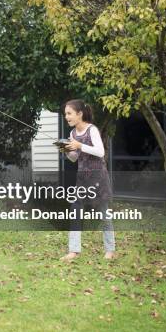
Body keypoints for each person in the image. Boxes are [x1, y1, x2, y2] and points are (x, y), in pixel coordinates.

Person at [59, 99, 115, 261]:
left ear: (79, 114)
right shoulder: (72, 134)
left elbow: (100, 152)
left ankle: (110, 250)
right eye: (65, 114)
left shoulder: (92, 130)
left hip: (98, 177)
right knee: (75, 211)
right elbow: (74, 158)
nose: (67, 117)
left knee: (104, 214)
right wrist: (66, 150)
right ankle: (74, 250)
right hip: (82, 179)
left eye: (69, 113)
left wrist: (79, 145)